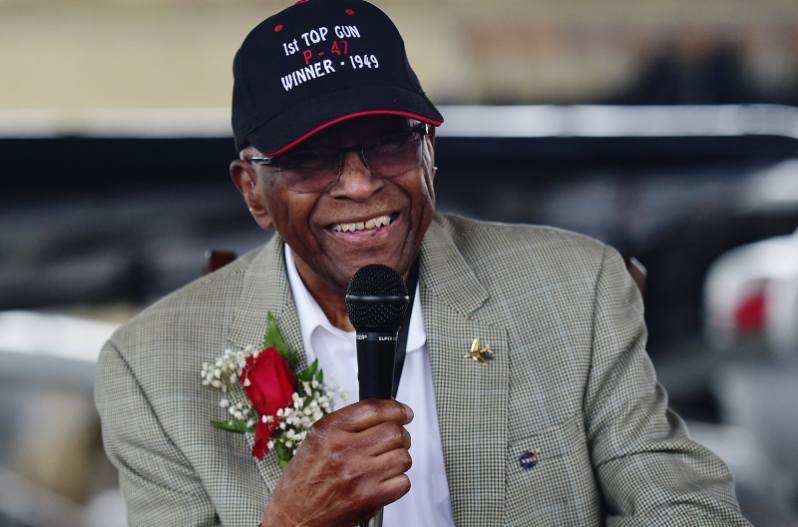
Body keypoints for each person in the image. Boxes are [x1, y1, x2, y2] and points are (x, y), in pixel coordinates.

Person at [94, 1, 751, 526]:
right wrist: (294, 520)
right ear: (253, 193)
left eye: (386, 143)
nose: (358, 184)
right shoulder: (151, 367)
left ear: (429, 151)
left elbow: (694, 509)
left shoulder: (576, 288)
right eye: (314, 157)